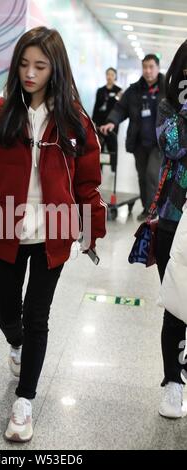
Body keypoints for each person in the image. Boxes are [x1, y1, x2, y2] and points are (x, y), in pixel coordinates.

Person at [0, 26, 106, 442]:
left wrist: (90, 230)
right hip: (4, 230)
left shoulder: (74, 122)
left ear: (56, 69)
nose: (29, 73)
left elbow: (87, 183)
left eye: (40, 65)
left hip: (54, 233)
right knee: (6, 312)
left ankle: (25, 402)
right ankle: (15, 344)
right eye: (23, 64)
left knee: (38, 317)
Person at [155, 40, 187, 419]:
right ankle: (172, 384)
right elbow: (175, 145)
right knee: (177, 308)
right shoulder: (167, 106)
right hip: (174, 218)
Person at [100, 55, 165, 221]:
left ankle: (153, 211)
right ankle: (146, 208)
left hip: (159, 143)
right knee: (142, 177)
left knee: (152, 175)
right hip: (139, 143)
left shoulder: (167, 88)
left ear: (158, 68)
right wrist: (112, 122)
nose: (148, 71)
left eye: (151, 67)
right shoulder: (134, 89)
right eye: (145, 67)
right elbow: (120, 108)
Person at [92, 67, 122, 171]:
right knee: (99, 144)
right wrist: (93, 121)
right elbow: (96, 106)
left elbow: (120, 108)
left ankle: (113, 165)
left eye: (112, 75)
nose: (109, 77)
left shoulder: (119, 91)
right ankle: (98, 166)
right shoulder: (100, 91)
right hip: (100, 121)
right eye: (108, 74)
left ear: (115, 77)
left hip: (112, 123)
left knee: (112, 144)